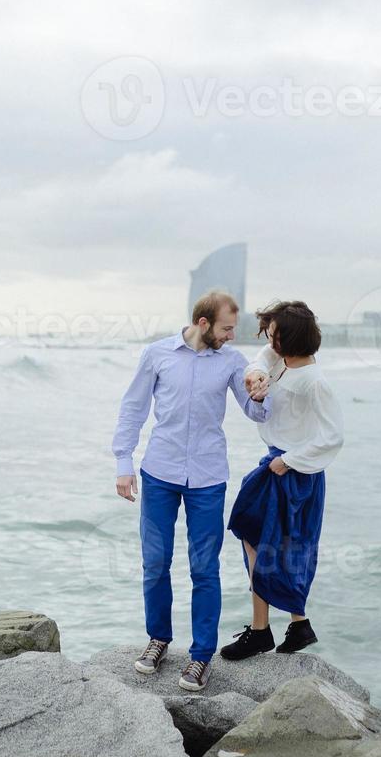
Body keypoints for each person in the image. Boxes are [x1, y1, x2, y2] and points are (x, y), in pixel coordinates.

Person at [112, 291, 268, 691]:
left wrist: (261, 394)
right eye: (227, 328)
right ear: (203, 324)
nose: (233, 336)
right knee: (155, 562)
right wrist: (123, 463)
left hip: (208, 476)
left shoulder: (232, 362)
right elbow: (134, 407)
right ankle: (158, 640)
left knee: (204, 568)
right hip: (160, 472)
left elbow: (253, 410)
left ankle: (200, 658)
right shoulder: (157, 354)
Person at [220, 300, 344, 660]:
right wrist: (255, 374)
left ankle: (266, 630)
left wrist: (289, 461)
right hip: (276, 464)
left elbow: (333, 436)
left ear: (289, 341)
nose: (268, 340)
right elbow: (263, 358)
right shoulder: (282, 362)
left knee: (273, 542)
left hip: (291, 472)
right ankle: (294, 624)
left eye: (274, 336)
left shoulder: (313, 381)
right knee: (257, 536)